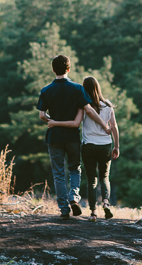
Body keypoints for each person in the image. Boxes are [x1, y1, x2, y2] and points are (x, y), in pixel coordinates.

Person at [37, 55, 111, 220]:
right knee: (74, 168)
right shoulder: (77, 89)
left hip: (54, 137)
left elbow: (42, 115)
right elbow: (90, 111)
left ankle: (64, 209)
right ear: (68, 69)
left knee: (58, 173)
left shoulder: (46, 90)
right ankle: (74, 198)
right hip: (72, 137)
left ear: (53, 69)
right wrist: (104, 125)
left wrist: (53, 122)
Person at [48, 75, 119, 222]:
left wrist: (55, 122)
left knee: (92, 179)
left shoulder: (83, 106)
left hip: (89, 146)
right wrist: (116, 146)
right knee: (104, 176)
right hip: (105, 145)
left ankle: (93, 213)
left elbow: (76, 123)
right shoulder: (108, 105)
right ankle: (106, 203)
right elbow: (114, 127)